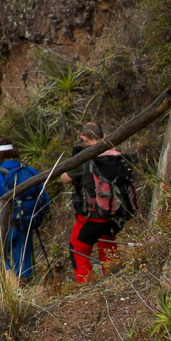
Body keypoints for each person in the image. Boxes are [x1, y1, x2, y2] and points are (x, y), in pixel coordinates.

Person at [60, 121, 137, 283]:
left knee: (78, 250)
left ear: (83, 138)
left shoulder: (85, 158)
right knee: (107, 246)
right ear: (104, 136)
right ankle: (114, 282)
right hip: (116, 213)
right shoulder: (118, 155)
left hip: (92, 215)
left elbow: (66, 178)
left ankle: (86, 286)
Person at [0, 141, 50, 284]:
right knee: (24, 262)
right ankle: (26, 291)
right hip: (26, 222)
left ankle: (13, 293)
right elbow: (44, 198)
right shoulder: (30, 171)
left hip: (2, 225)